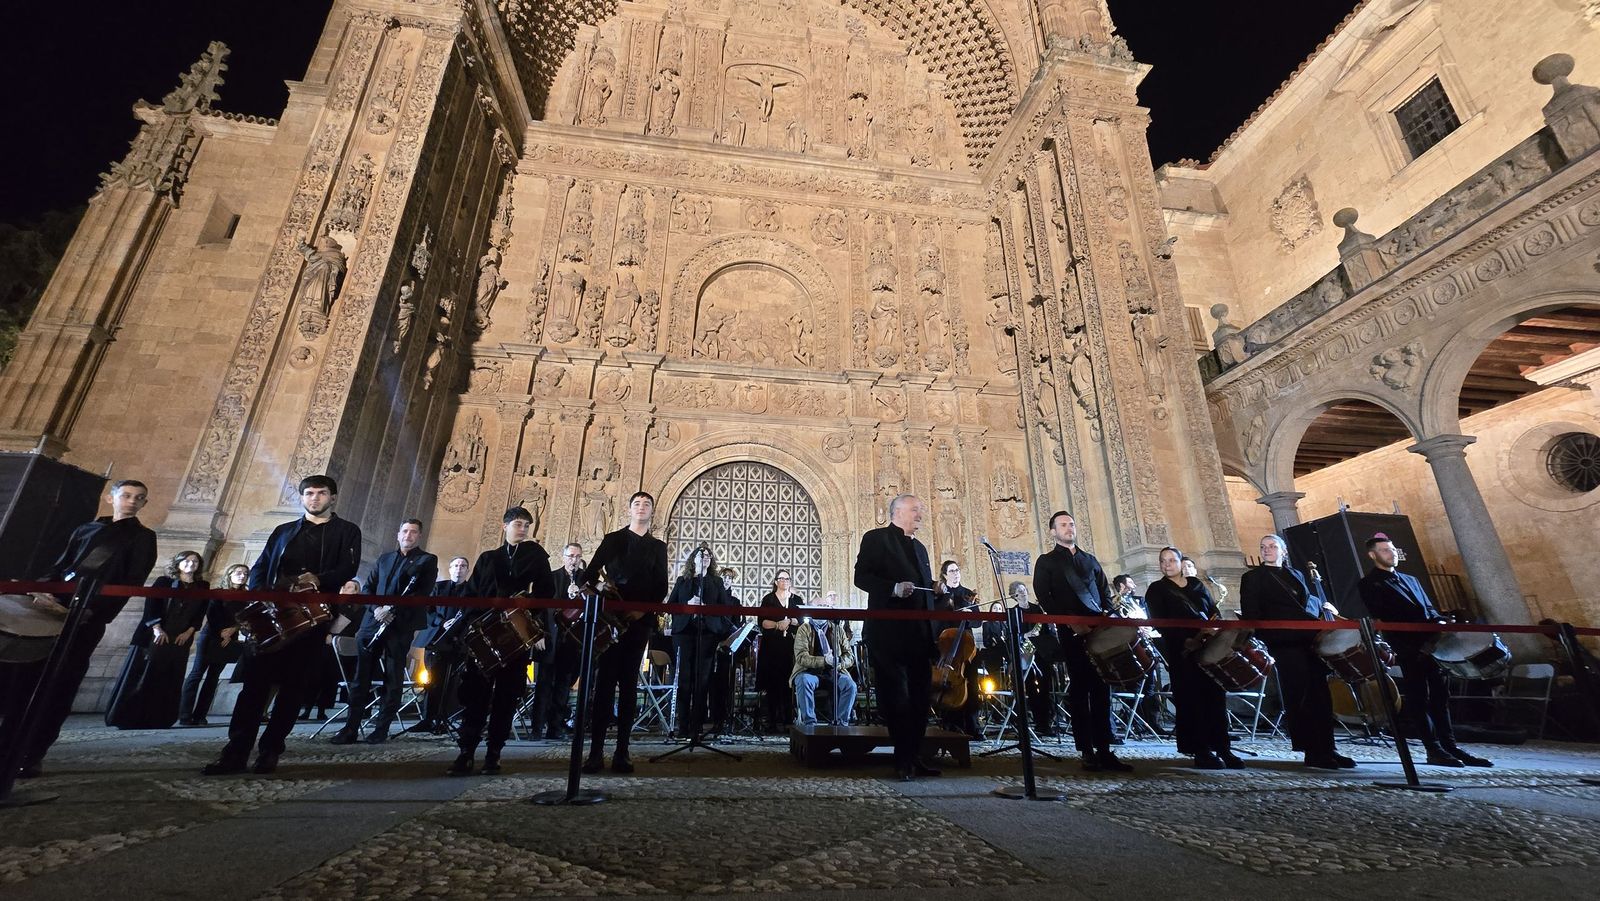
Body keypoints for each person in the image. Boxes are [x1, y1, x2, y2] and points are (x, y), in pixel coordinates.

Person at [203, 475, 362, 776]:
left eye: (321, 493)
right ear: (302, 497)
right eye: (309, 493)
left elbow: (347, 568)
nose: (314, 498)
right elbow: (262, 565)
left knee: (293, 688)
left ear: (333, 497)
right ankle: (235, 752)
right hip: (274, 617)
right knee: (254, 688)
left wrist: (319, 579)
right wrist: (261, 601)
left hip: (313, 619)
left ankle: (271, 750)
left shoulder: (347, 531)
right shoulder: (284, 531)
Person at [1, 479, 158, 779]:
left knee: (61, 684)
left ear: (144, 504)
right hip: (47, 611)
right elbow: (60, 565)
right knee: (26, 679)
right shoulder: (86, 530)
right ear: (111, 498)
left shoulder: (142, 537)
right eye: (126, 495)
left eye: (139, 498)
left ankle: (34, 753)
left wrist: (92, 611)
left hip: (86, 617)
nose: (132, 501)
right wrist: (44, 590)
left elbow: (131, 582)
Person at [1359, 535, 1491, 768]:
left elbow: (1429, 608)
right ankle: (1433, 748)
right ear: (1373, 555)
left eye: (1392, 549)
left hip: (1434, 645)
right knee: (1420, 698)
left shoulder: (1411, 579)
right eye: (1385, 550)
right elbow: (1385, 615)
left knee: (1441, 698)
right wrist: (1418, 641)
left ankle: (1450, 746)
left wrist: (1442, 621)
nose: (1391, 554)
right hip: (1410, 648)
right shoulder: (1369, 584)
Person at [449, 507, 555, 776]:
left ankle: (494, 752)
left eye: (526, 525)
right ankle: (466, 752)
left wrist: (527, 607)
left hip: (516, 634)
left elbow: (546, 593)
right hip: (484, 631)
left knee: (507, 695)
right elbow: (472, 594)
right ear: (505, 526)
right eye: (518, 524)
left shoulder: (537, 557)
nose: (523, 529)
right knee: (476, 694)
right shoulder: (488, 558)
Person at [1240, 533, 1353, 771]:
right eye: (1263, 547)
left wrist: (1323, 608)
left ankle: (1328, 746)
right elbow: (1252, 613)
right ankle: (1313, 751)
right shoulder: (1253, 577)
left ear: (1284, 551)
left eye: (1272, 546)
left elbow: (1305, 604)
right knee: (1299, 695)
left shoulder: (1296, 575)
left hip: (1309, 639)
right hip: (1284, 642)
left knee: (1320, 694)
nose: (1266, 550)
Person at [1032, 511, 1130, 772]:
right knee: (1080, 688)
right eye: (1063, 525)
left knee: (1102, 688)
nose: (1069, 528)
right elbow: (1044, 596)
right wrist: (1068, 622)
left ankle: (1105, 748)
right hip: (1071, 632)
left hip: (1098, 629)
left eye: (1071, 524)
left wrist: (1109, 618)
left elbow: (1104, 593)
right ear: (1053, 531)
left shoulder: (1091, 560)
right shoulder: (1047, 561)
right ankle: (1086, 749)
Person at [853, 494, 940, 782]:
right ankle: (902, 759)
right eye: (916, 509)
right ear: (898, 511)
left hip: (919, 636)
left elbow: (922, 591)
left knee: (919, 698)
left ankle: (914, 755)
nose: (921, 514)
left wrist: (934, 589)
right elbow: (861, 577)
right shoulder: (876, 539)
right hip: (889, 635)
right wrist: (892, 588)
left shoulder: (922, 549)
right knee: (897, 698)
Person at [582, 491, 669, 775]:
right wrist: (600, 589)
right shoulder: (613, 539)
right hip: (609, 618)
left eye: (646, 504)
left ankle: (623, 750)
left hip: (638, 622)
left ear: (652, 511)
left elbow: (661, 587)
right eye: (637, 504)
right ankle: (595, 752)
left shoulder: (658, 547)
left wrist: (643, 612)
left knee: (630, 684)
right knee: (603, 683)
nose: (641, 508)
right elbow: (589, 574)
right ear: (629, 509)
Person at [333, 519, 437, 745]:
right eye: (405, 531)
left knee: (393, 677)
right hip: (372, 623)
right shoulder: (384, 559)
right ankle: (350, 728)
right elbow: (369, 588)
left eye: (413, 532)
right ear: (398, 534)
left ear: (419, 536)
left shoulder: (427, 560)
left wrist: (393, 610)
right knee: (361, 679)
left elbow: (422, 592)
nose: (408, 535)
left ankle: (381, 728)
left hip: (400, 626)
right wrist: (378, 609)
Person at [1144, 547, 1241, 769]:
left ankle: (1223, 748)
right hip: (1182, 652)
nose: (1167, 564)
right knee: (1191, 700)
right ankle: (1201, 750)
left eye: (1171, 560)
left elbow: (1212, 610)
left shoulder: (1197, 585)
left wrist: (1212, 629)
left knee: (1215, 698)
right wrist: (1187, 639)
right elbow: (1159, 621)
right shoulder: (1157, 590)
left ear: (1180, 562)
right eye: (1163, 561)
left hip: (1208, 648)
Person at [105, 550, 209, 729]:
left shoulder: (203, 587)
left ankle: (160, 718)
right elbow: (151, 606)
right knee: (144, 674)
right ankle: (130, 717)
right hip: (155, 634)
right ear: (178, 563)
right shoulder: (164, 582)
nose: (191, 564)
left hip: (180, 637)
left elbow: (200, 613)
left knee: (170, 678)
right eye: (187, 560)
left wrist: (190, 632)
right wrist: (157, 628)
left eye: (195, 562)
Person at [668, 545, 735, 738]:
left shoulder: (716, 582)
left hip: (707, 633)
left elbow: (726, 609)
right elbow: (671, 606)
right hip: (684, 632)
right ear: (693, 559)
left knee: (702, 680)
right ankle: (683, 725)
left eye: (708, 555)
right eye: (701, 554)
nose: (705, 557)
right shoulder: (683, 581)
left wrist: (706, 608)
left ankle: (697, 725)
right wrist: (687, 606)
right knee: (684, 680)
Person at [181, 562, 247, 725]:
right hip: (211, 636)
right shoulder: (218, 593)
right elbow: (212, 614)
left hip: (229, 638)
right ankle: (184, 714)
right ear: (229, 574)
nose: (242, 575)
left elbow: (245, 617)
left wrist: (233, 630)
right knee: (196, 674)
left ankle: (200, 715)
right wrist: (221, 632)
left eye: (245, 573)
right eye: (238, 572)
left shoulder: (247, 596)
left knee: (213, 677)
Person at [532, 544, 585, 740]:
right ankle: (537, 728)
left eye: (578, 557)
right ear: (563, 557)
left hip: (571, 641)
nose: (574, 560)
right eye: (571, 556)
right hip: (549, 638)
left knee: (563, 684)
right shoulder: (551, 578)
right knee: (544, 684)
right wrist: (537, 634)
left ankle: (555, 727)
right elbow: (538, 609)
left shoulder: (584, 580)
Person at [417, 556, 472, 734]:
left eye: (463, 566)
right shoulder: (438, 588)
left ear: (467, 570)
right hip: (436, 641)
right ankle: (427, 719)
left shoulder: (472, 591)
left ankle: (445, 718)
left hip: (458, 643)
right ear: (450, 569)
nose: (459, 569)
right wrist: (441, 624)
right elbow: (427, 612)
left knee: (452, 682)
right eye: (455, 565)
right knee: (432, 681)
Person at [792, 592, 857, 726]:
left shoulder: (837, 629)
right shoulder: (804, 629)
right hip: (809, 672)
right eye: (819, 606)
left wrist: (838, 662)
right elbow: (801, 658)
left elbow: (850, 656)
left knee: (850, 685)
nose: (823, 608)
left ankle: (841, 723)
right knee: (803, 681)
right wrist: (824, 661)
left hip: (834, 671)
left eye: (825, 606)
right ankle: (809, 724)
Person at [933, 560, 982, 738]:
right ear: (944, 575)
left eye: (957, 570)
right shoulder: (939, 595)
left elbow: (978, 621)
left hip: (966, 648)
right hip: (945, 646)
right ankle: (950, 723)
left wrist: (970, 616)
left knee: (972, 684)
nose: (956, 574)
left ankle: (973, 725)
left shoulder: (968, 594)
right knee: (946, 685)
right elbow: (935, 617)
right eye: (952, 571)